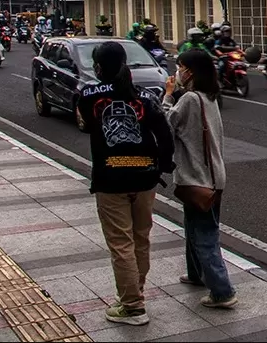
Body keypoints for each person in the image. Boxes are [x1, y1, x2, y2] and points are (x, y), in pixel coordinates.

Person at [78, 41, 175, 327]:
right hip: (145, 177)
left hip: (111, 180)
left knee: (121, 244)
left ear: (98, 67)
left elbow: (87, 122)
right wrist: (164, 164)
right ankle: (136, 293)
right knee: (141, 239)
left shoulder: (87, 95)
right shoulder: (145, 97)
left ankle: (132, 306)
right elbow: (164, 133)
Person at [163, 49, 236, 309]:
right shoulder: (209, 96)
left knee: (204, 234)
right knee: (194, 227)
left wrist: (168, 95)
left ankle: (222, 291)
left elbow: (166, 125)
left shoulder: (190, 99)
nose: (176, 72)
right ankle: (196, 274)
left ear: (190, 71)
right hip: (213, 176)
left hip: (197, 178)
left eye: (179, 67)